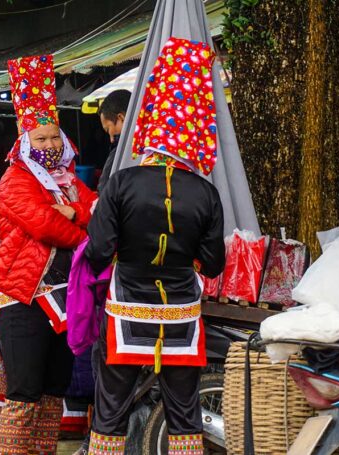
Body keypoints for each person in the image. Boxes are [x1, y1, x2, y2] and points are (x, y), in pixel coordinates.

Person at [84, 38, 226, 455]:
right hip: (181, 313)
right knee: (184, 411)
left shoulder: (122, 182)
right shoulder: (204, 192)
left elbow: (97, 251)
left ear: (147, 127)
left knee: (110, 409)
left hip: (127, 309)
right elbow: (214, 264)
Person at [0, 54, 98, 455]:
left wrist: (74, 210)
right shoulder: (14, 181)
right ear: (24, 142)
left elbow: (99, 210)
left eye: (54, 137)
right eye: (40, 139)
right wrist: (84, 232)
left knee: (55, 388)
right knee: (25, 391)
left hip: (67, 298)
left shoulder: (69, 181)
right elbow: (45, 226)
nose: (49, 145)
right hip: (26, 299)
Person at [96, 89, 130, 193]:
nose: (111, 139)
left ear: (121, 118)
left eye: (108, 129)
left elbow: (104, 191)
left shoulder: (121, 151)